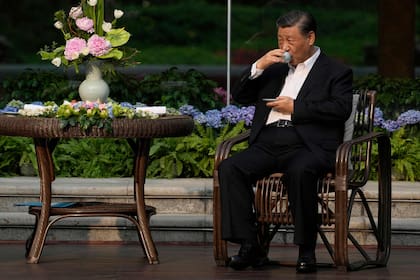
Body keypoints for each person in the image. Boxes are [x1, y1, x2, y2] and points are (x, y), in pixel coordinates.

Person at [218, 10, 353, 273]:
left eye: (290, 40)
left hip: (309, 145)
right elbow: (241, 96)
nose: (284, 47)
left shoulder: (335, 71)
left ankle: (306, 251)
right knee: (230, 168)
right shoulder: (275, 68)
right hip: (269, 142)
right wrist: (259, 65)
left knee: (300, 170)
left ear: (310, 37)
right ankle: (250, 245)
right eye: (280, 39)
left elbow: (340, 108)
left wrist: (297, 108)